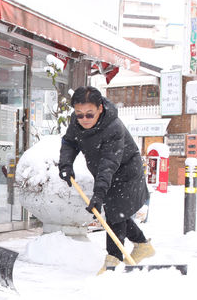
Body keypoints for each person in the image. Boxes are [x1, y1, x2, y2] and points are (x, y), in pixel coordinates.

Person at [58, 86, 155, 274]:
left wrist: (99, 193)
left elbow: (109, 162)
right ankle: (142, 245)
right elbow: (70, 142)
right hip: (106, 172)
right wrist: (65, 165)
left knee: (115, 213)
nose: (84, 119)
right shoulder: (76, 122)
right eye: (79, 114)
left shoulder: (113, 128)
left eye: (89, 114)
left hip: (126, 172)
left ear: (100, 108)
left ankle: (113, 261)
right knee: (118, 212)